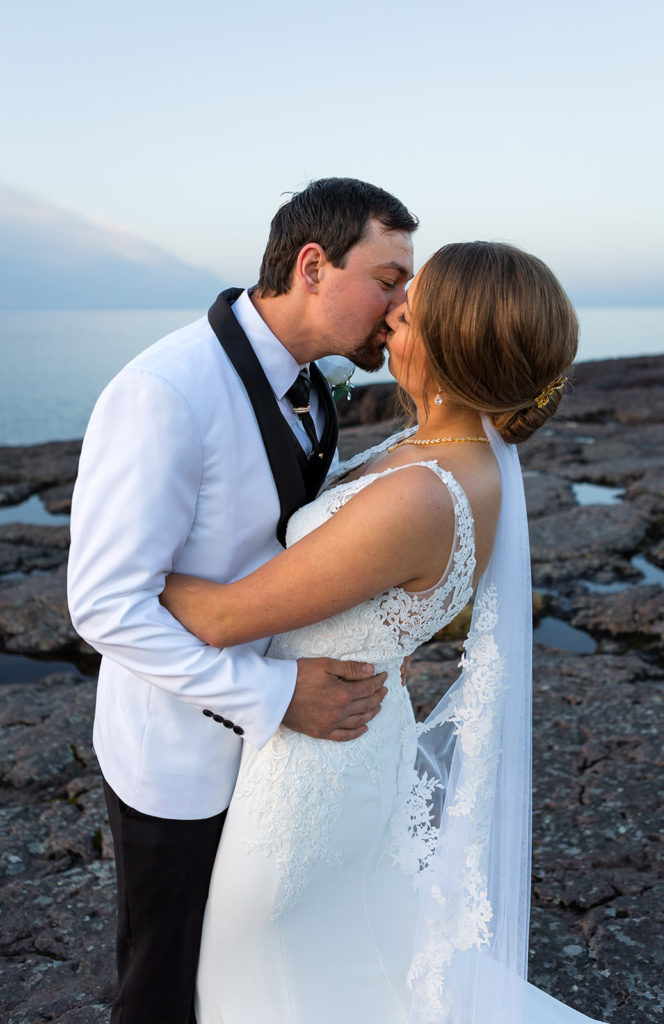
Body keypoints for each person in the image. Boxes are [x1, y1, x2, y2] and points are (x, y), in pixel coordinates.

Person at [160, 242, 614, 1024]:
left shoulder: (424, 494)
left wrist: (118, 553)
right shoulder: (444, 450)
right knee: (339, 963)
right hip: (351, 740)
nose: (389, 317)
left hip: (311, 774)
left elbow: (221, 616)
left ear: (448, 347)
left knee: (252, 969)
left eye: (410, 311)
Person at [66, 177, 418, 1024]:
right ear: (310, 266)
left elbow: (282, 523)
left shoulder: (307, 378)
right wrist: (276, 696)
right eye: (388, 278)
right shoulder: (165, 392)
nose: (401, 304)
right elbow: (104, 605)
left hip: (277, 768)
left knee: (244, 975)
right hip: (178, 759)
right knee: (163, 986)